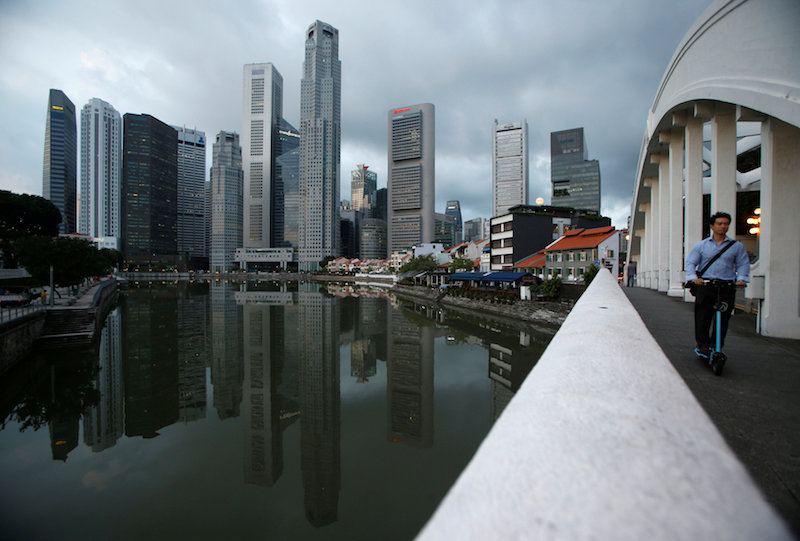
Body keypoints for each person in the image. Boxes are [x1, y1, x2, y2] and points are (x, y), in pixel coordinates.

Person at [685, 212, 750, 358]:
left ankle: (717, 345)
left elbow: (742, 264)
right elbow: (691, 263)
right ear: (712, 226)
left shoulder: (736, 246)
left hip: (726, 286)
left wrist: (742, 279)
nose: (723, 226)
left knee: (724, 318)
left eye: (726, 224)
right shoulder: (701, 246)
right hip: (706, 285)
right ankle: (703, 345)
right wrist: (693, 278)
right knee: (703, 316)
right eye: (720, 223)